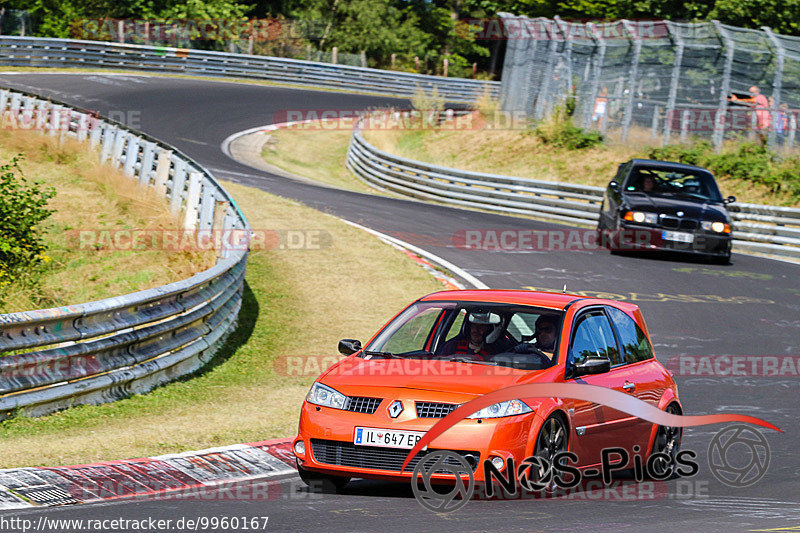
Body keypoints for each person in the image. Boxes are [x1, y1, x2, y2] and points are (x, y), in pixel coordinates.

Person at [439, 311, 510, 359]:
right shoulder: (452, 347)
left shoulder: (495, 353)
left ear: (490, 330)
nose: (476, 330)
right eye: (474, 326)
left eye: (481, 327)